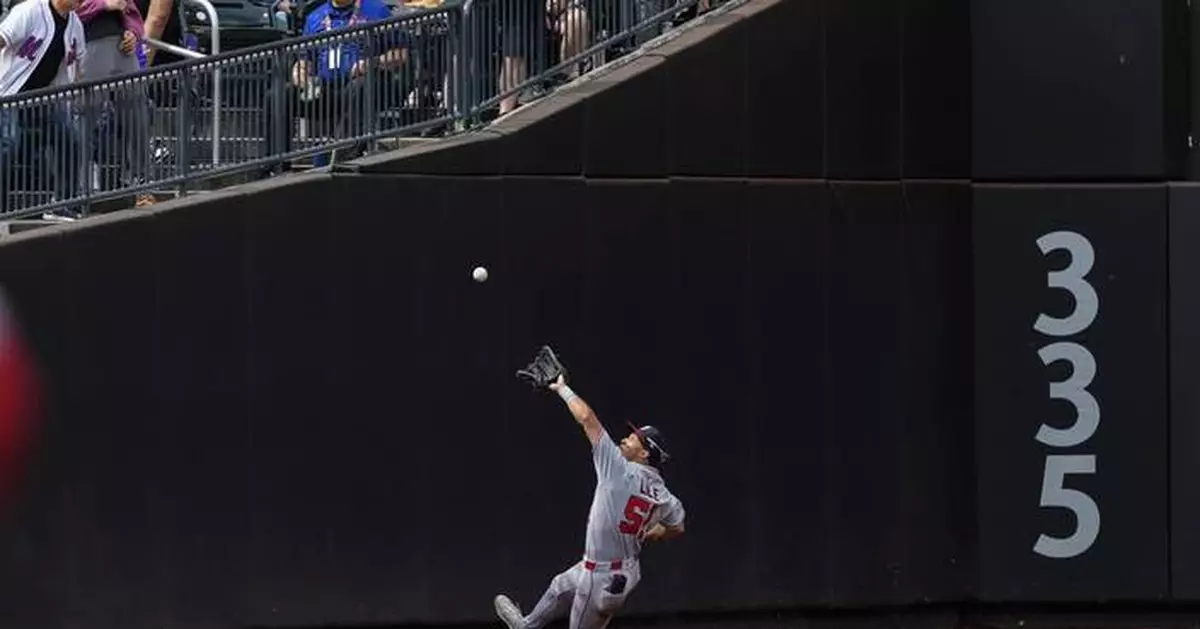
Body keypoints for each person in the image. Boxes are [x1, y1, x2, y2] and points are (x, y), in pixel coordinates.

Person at [494, 373, 686, 629]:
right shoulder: (664, 495)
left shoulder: (619, 469)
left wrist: (562, 388)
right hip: (621, 570)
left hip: (601, 577)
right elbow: (678, 527)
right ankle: (526, 626)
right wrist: (653, 534)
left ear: (643, 453)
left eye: (633, 439)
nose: (625, 438)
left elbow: (587, 419)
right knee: (560, 585)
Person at [0, 0, 86, 216]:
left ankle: (63, 204)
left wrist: (74, 99)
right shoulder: (29, 10)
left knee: (70, 139)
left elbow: (77, 69)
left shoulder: (75, 24)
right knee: (9, 143)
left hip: (43, 99)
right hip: (9, 95)